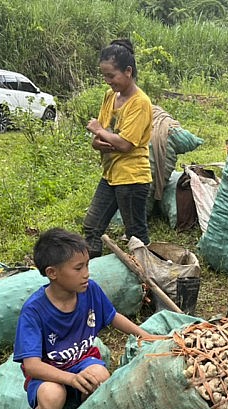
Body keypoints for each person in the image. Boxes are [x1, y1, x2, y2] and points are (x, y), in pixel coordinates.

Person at [13, 228, 151, 409]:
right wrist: (71, 379)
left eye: (87, 265)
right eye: (78, 268)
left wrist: (145, 335)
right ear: (52, 273)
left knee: (100, 377)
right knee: (52, 397)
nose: (86, 273)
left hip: (81, 361)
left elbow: (113, 316)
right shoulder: (34, 311)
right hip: (49, 373)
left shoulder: (90, 290)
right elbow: (32, 366)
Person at [83, 39, 153, 258]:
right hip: (111, 174)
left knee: (136, 235)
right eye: (104, 75)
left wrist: (99, 132)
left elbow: (124, 143)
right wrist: (98, 139)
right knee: (92, 227)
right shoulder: (110, 96)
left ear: (128, 71)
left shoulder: (140, 103)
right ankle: (89, 277)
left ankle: (148, 282)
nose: (108, 81)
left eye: (111, 76)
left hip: (132, 178)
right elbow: (102, 134)